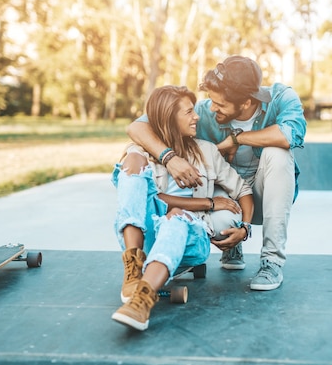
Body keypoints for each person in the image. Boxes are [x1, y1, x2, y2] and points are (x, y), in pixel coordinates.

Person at [127, 55, 306, 291]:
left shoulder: (281, 98)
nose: (212, 108)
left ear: (245, 103)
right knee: (222, 219)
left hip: (267, 194)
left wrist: (236, 139)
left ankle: (271, 262)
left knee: (278, 153)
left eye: (220, 105)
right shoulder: (202, 112)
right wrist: (169, 158)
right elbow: (137, 126)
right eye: (212, 101)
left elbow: (288, 135)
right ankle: (230, 245)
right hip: (226, 194)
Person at [112, 85, 254, 331]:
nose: (196, 117)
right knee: (131, 161)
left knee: (176, 217)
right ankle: (134, 271)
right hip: (148, 238)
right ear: (169, 117)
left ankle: (141, 302)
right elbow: (150, 197)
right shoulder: (142, 151)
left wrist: (246, 228)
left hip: (191, 238)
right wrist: (206, 203)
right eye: (188, 112)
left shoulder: (206, 151)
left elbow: (243, 191)